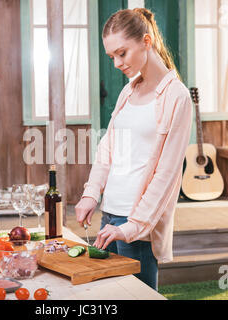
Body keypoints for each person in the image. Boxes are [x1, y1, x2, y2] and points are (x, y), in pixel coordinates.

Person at [75, 8, 193, 291]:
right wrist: (91, 193)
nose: (116, 63)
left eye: (122, 53)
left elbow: (166, 175)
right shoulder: (128, 91)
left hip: (136, 227)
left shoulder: (177, 97)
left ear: (146, 42)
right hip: (109, 216)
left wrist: (130, 228)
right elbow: (108, 148)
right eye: (111, 57)